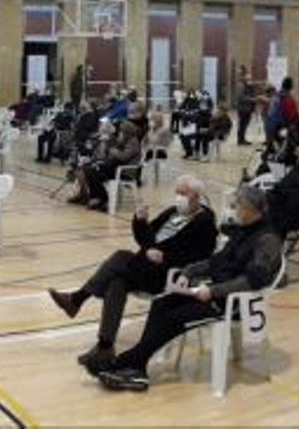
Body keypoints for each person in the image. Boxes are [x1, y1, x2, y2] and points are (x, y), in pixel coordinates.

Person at [91, 185, 282, 391]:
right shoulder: (242, 232)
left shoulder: (267, 239)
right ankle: (138, 365)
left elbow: (252, 281)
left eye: (237, 206)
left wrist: (213, 291)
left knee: (174, 317)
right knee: (162, 303)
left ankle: (128, 362)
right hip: (214, 292)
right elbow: (216, 262)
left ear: (250, 209)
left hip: (231, 303)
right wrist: (189, 271)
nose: (233, 210)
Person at [49, 175, 218, 371]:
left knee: (121, 257)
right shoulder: (172, 212)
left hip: (166, 275)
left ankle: (77, 299)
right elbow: (145, 239)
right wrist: (140, 221)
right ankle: (104, 347)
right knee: (117, 283)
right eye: (177, 192)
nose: (178, 197)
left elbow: (201, 256)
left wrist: (165, 257)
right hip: (145, 267)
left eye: (183, 193)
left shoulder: (204, 222)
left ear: (196, 196)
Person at [69, 120, 141, 211]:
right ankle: (95, 197)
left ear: (126, 132)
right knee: (88, 170)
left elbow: (124, 157)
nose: (119, 133)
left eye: (121, 132)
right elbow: (107, 156)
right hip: (114, 168)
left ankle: (100, 198)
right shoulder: (122, 142)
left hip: (124, 172)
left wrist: (113, 151)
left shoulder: (133, 142)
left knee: (91, 171)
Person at [236, 71, 256, 146]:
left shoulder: (249, 87)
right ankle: (240, 140)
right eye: (248, 79)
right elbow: (241, 97)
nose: (250, 80)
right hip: (243, 109)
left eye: (250, 79)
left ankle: (243, 139)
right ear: (244, 79)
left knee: (245, 125)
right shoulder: (241, 86)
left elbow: (251, 94)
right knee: (242, 125)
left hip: (248, 109)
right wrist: (252, 99)